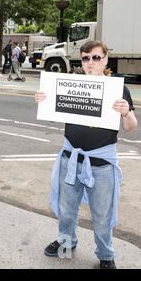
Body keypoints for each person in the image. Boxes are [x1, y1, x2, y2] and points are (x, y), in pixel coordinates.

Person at [35, 40, 138, 269]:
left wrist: (125, 114)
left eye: (96, 57)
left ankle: (105, 255)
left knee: (102, 216)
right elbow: (52, 113)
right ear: (81, 61)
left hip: (101, 165)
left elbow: (131, 127)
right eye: (85, 58)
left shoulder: (118, 89)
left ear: (105, 60)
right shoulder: (71, 83)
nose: (90, 62)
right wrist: (43, 102)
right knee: (66, 210)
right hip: (70, 158)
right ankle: (67, 242)